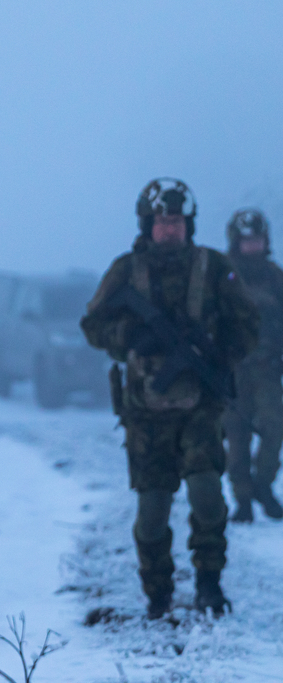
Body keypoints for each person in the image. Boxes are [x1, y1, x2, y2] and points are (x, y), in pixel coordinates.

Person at [81, 178, 259, 619]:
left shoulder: (214, 268)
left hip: (200, 406)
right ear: (148, 223)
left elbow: (248, 326)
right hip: (145, 412)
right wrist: (131, 338)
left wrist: (220, 354)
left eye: (177, 220)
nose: (169, 229)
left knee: (206, 495)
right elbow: (94, 325)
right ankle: (158, 592)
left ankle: (209, 583)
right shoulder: (126, 271)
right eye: (162, 221)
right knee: (153, 510)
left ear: (188, 224)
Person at [223, 208, 283, 522]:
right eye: (246, 241)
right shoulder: (222, 277)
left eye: (257, 240)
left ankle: (263, 485)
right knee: (237, 435)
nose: (252, 247)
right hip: (234, 371)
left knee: (275, 429)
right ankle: (242, 499)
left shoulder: (275, 276)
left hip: (269, 368)